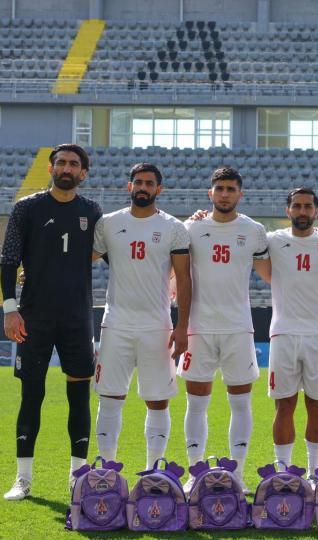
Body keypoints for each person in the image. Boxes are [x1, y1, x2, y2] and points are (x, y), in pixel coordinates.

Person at [1, 143, 102, 500]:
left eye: (74, 164)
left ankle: (78, 477)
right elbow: (10, 259)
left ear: (83, 173)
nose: (67, 168)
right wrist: (10, 308)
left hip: (77, 318)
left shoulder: (92, 210)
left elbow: (116, 246)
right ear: (50, 167)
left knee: (79, 399)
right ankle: (23, 479)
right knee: (32, 395)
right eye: (61, 162)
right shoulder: (26, 208)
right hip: (34, 318)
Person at [91, 163, 191, 470]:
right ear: (129, 186)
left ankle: (153, 471)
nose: (143, 187)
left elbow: (184, 279)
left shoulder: (174, 227)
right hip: (116, 324)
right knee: (109, 397)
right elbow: (82, 261)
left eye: (149, 183)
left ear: (159, 189)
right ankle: (106, 471)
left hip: (157, 326)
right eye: (138, 182)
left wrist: (182, 326)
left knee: (158, 400)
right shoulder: (108, 223)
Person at [179, 167, 268, 494]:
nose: (225, 193)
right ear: (210, 193)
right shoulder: (191, 227)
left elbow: (273, 272)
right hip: (198, 328)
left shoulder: (254, 230)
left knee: (241, 404)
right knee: (196, 404)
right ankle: (194, 472)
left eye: (231, 188)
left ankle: (239, 473)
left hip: (238, 329)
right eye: (220, 188)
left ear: (239, 194)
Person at [253, 188, 318, 477]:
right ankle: (283, 472)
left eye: (307, 207)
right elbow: (266, 272)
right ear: (288, 211)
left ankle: (315, 473)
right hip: (283, 333)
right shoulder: (272, 241)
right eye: (297, 206)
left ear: (316, 211)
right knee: (284, 407)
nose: (302, 211)